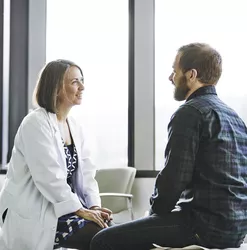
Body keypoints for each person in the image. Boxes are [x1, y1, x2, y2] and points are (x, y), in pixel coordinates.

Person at [90, 43, 247, 250]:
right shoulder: (234, 117)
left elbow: (174, 179)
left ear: (191, 75)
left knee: (103, 240)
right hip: (235, 228)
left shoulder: (190, 112)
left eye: (175, 71)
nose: (171, 78)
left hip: (203, 226)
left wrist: (154, 213)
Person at [0, 59, 112, 250]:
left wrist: (94, 207)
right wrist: (79, 210)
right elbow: (48, 176)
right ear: (56, 88)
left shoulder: (76, 127)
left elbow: (87, 175)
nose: (82, 87)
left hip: (64, 208)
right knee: (103, 239)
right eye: (75, 82)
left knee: (113, 232)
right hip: (34, 210)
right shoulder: (35, 123)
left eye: (82, 80)